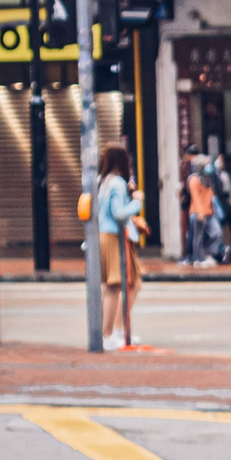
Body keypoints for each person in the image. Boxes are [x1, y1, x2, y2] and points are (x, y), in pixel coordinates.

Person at [91, 142, 144, 349]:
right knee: (117, 286)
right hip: (114, 237)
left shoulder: (102, 181)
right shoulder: (117, 184)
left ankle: (117, 331)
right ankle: (110, 333)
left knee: (122, 285)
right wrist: (137, 202)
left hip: (105, 236)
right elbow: (119, 213)